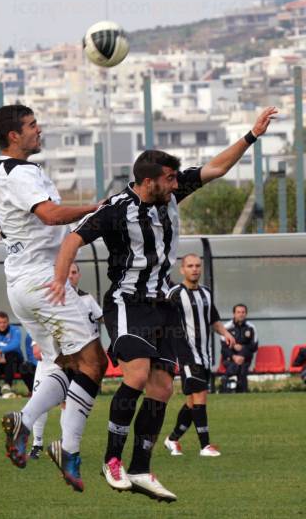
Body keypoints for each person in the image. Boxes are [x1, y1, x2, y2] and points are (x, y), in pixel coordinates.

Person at [47, 107, 277, 502]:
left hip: (162, 306)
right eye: (169, 179)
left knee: (162, 388)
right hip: (126, 302)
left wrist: (251, 136)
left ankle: (140, 468)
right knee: (135, 375)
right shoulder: (116, 210)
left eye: (176, 178)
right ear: (148, 181)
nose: (177, 184)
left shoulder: (171, 190)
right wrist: (58, 280)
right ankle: (111, 461)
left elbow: (216, 169)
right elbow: (72, 240)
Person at [0, 104, 108, 491]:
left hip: (23, 284)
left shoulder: (12, 171)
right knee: (94, 363)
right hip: (44, 283)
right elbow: (51, 216)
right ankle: (68, 450)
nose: (39, 130)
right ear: (13, 136)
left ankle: (25, 423)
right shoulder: (19, 172)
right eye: (32, 125)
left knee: (69, 364)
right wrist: (97, 208)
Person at [28, 262, 103, 460]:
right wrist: (38, 343)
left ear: (79, 275)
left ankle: (65, 445)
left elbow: (101, 319)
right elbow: (37, 334)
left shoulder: (86, 299)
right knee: (39, 402)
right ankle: (36, 443)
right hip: (49, 361)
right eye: (67, 272)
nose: (71, 276)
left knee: (67, 404)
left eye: (74, 272)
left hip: (73, 362)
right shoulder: (50, 297)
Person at [164, 254, 235, 457]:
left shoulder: (206, 293)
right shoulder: (174, 294)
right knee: (201, 396)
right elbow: (162, 321)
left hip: (204, 355)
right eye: (190, 266)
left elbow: (214, 320)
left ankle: (172, 439)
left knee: (192, 403)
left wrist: (226, 333)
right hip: (187, 355)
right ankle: (205, 446)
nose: (194, 269)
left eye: (197, 266)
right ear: (182, 270)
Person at [0, 311, 26, 398]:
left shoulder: (15, 330)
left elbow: (16, 344)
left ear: (8, 322)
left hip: (16, 362)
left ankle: (7, 385)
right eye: (0, 322)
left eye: (4, 322)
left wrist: (0, 350)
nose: (2, 325)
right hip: (0, 363)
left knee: (10, 354)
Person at [220, 304, 258, 393]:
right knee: (240, 368)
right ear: (234, 314)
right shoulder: (226, 327)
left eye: (243, 312)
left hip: (246, 358)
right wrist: (234, 356)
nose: (241, 314)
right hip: (230, 359)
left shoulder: (251, 327)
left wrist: (242, 350)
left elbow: (254, 346)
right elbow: (224, 348)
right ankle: (243, 391)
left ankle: (226, 379)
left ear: (246, 314)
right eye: (238, 312)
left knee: (242, 365)